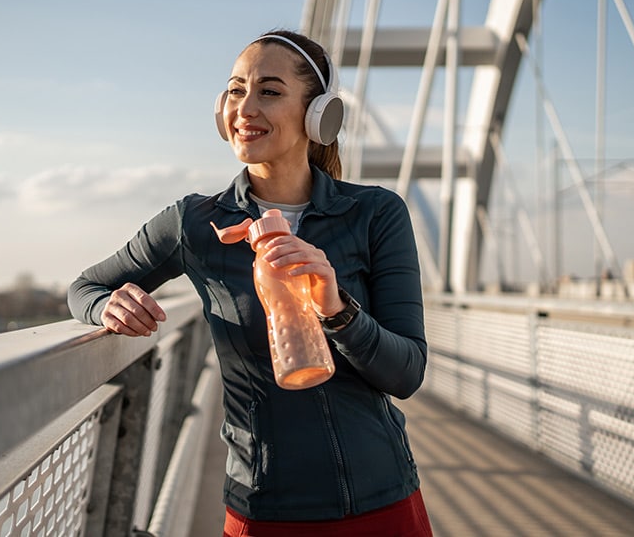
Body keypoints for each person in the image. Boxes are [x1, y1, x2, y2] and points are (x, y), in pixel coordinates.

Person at [68, 29, 432, 536]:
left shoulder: (375, 214)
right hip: (264, 510)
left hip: (383, 501)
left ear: (318, 114)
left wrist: (338, 309)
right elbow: (85, 287)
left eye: (270, 91)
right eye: (236, 90)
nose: (245, 108)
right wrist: (108, 305)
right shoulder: (196, 224)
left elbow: (407, 372)